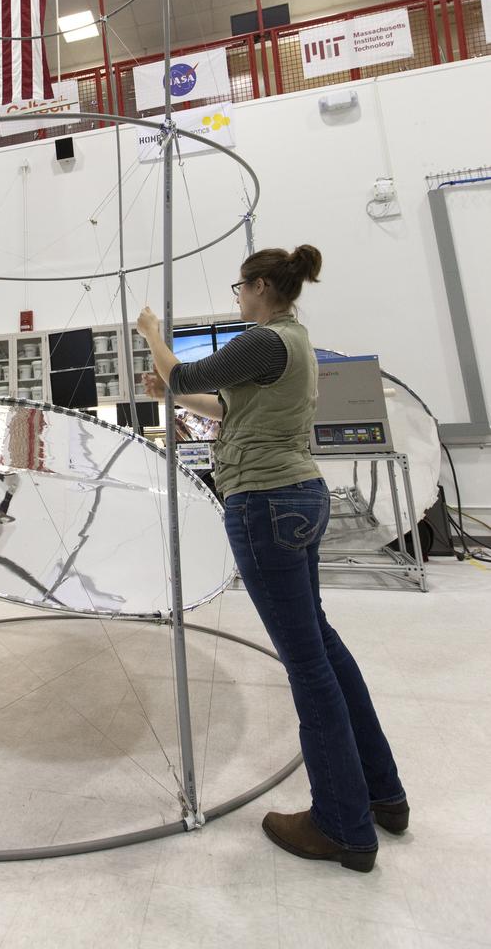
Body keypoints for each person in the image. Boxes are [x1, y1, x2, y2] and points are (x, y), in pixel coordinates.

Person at [136, 245, 407, 873]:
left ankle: (342, 827)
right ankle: (383, 796)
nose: (237, 298)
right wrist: (173, 390)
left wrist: (154, 336)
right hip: (295, 496)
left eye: (239, 288)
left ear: (259, 286)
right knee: (324, 651)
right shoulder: (293, 342)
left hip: (266, 503)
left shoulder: (264, 339)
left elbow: (187, 378)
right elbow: (224, 406)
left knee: (308, 667)